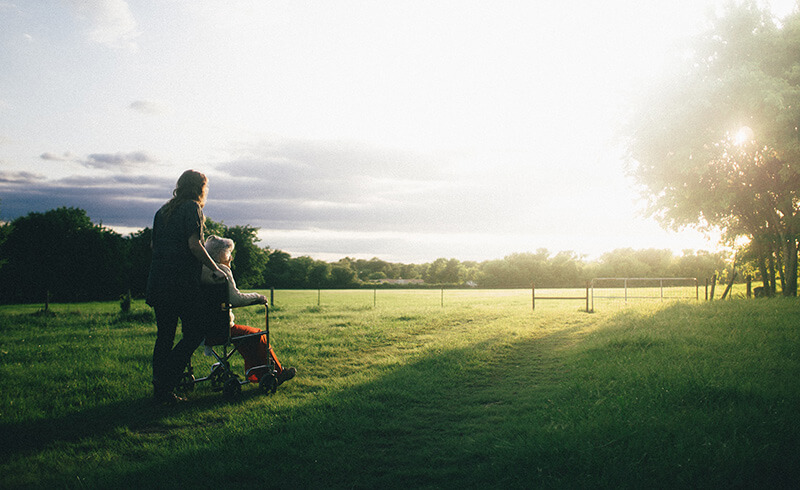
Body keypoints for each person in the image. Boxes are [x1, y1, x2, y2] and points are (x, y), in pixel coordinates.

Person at [146, 170, 226, 404]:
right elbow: (195, 245)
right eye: (206, 187)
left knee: (165, 336)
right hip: (180, 284)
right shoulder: (192, 208)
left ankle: (161, 391)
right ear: (200, 188)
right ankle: (166, 381)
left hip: (158, 281)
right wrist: (215, 268)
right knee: (194, 333)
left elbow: (154, 245)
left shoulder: (162, 211)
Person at [201, 235, 296, 385]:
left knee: (246, 336)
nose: (231, 257)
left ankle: (257, 374)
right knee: (257, 334)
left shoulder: (201, 270)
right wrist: (258, 297)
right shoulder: (222, 271)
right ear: (220, 254)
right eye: (228, 253)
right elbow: (236, 299)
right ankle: (276, 372)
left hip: (201, 329)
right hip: (221, 329)